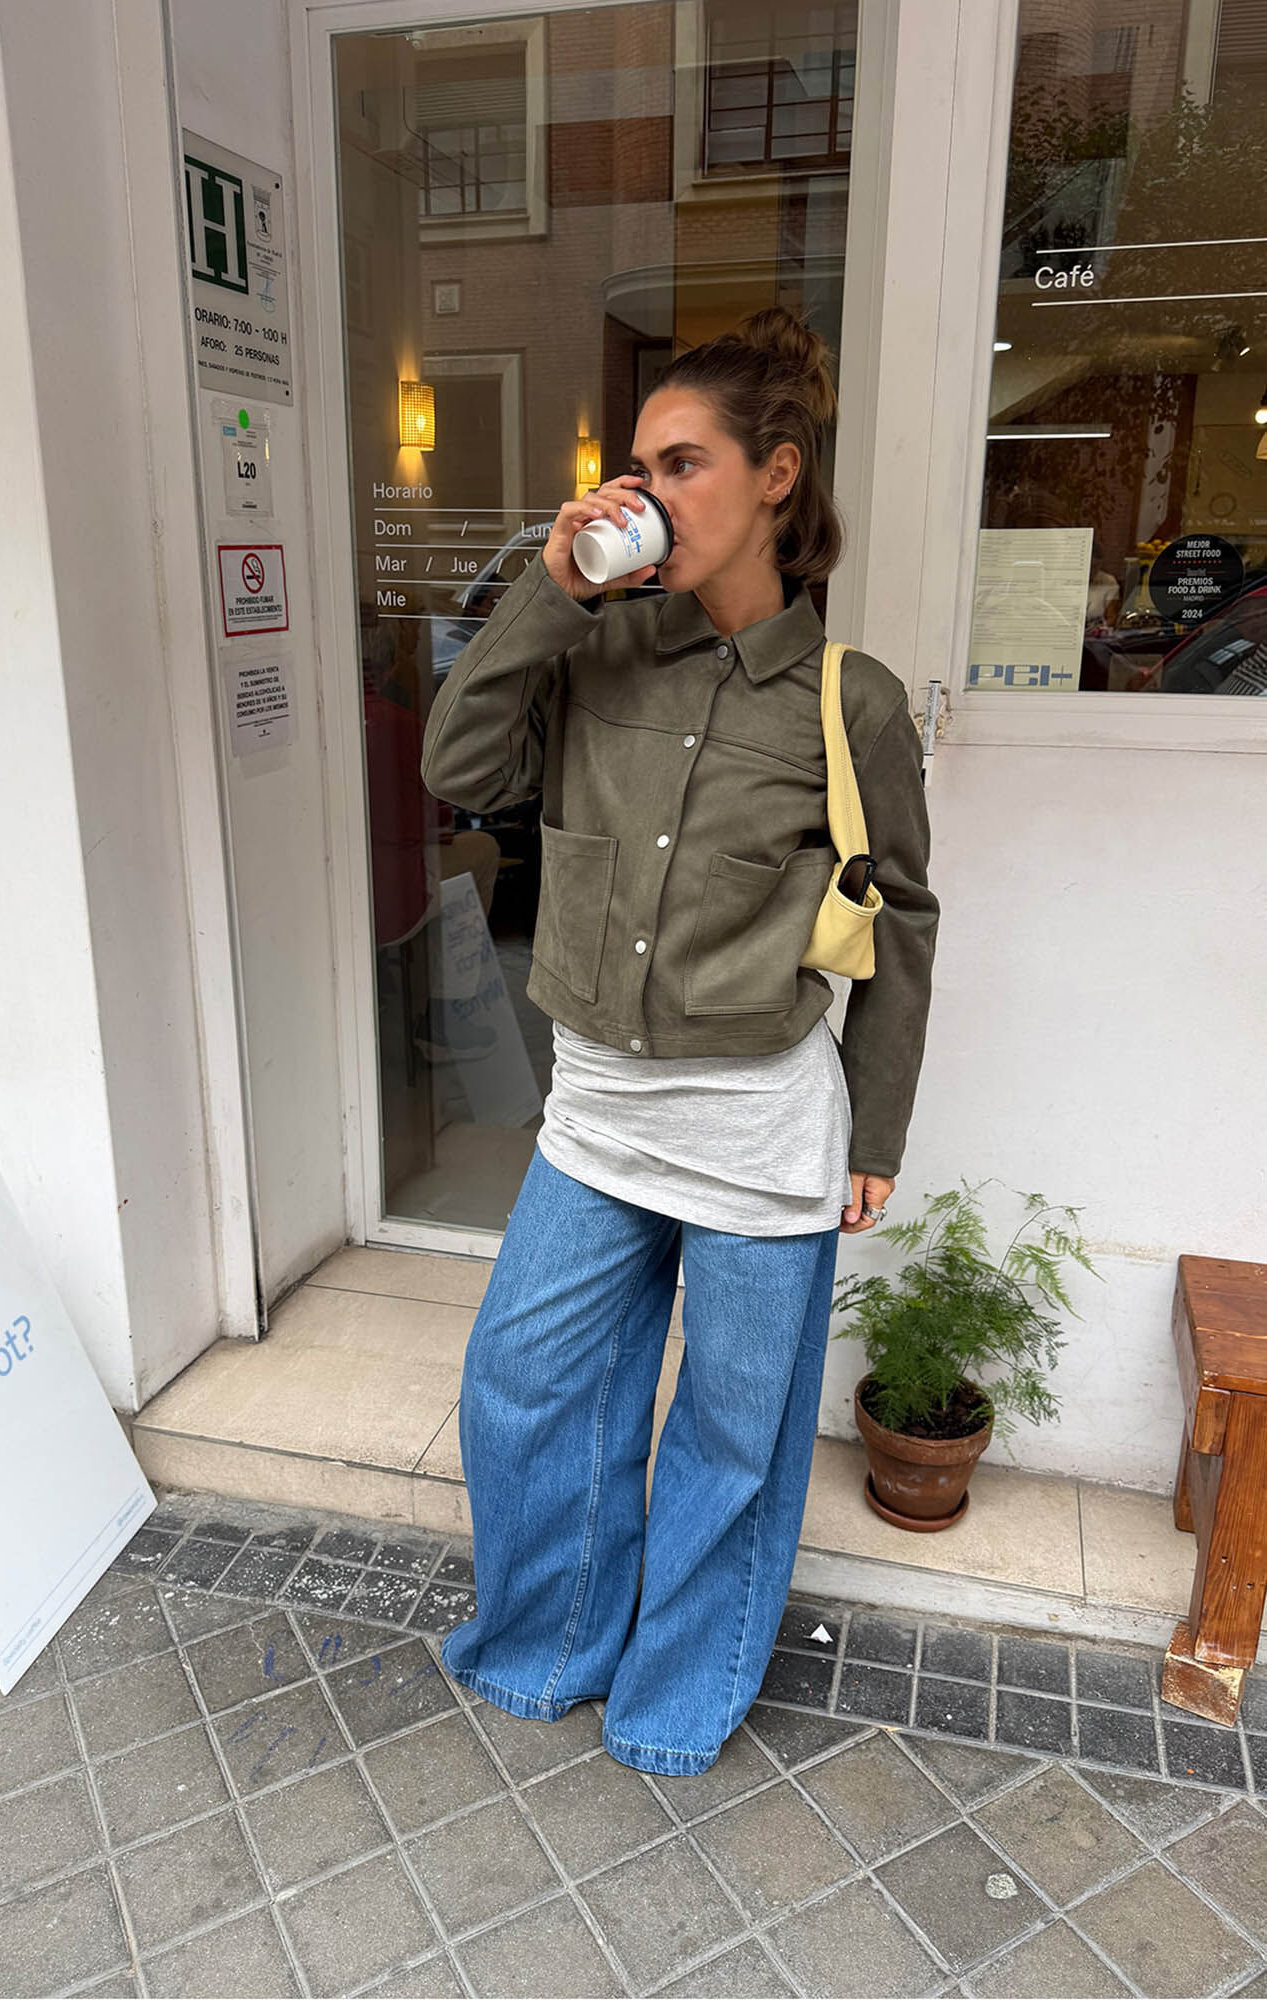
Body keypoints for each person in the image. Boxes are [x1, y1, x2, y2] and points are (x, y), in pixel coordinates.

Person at [420, 307, 939, 1776]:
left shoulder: (853, 702)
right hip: (597, 1111)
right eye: (633, 464)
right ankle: (545, 1645)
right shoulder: (598, 656)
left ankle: (676, 1693)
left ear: (776, 477)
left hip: (762, 1123)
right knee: (527, 1386)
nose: (644, 491)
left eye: (680, 462)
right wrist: (547, 588)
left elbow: (901, 917)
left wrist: (878, 1135)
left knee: (732, 1436)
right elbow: (457, 764)